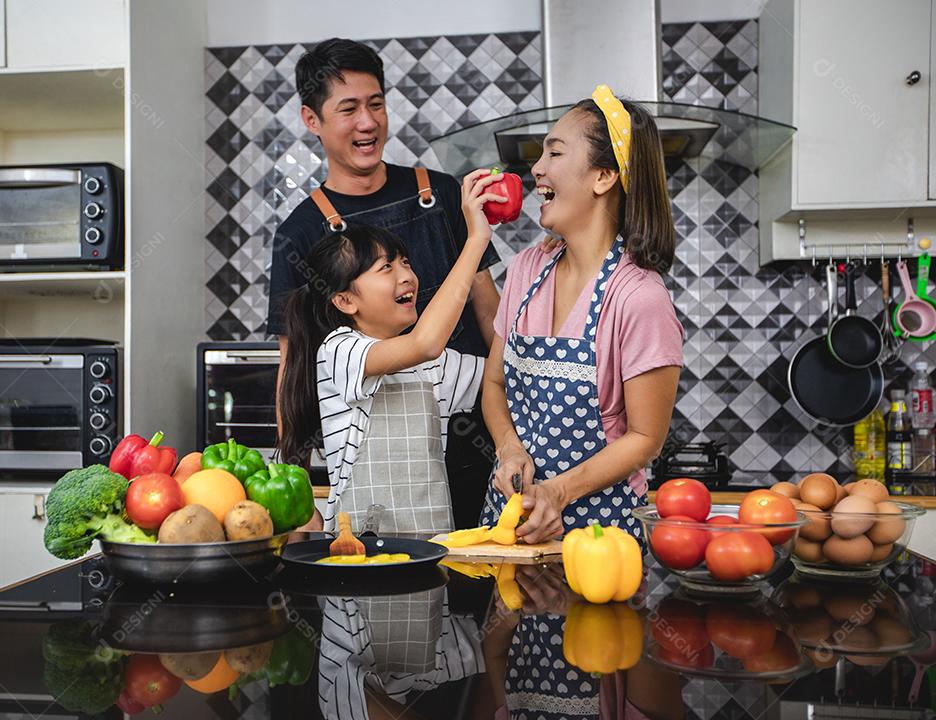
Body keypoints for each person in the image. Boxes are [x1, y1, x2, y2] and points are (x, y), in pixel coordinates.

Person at [267, 38, 501, 529]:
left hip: (475, 438)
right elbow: (295, 367)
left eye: (376, 104)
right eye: (348, 109)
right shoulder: (299, 233)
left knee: (473, 588)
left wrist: (519, 436)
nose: (368, 122)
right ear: (312, 120)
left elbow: (491, 318)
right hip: (369, 476)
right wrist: (293, 490)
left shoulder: (441, 193)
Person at [480, 84, 683, 544]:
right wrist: (509, 448)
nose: (536, 168)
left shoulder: (638, 297)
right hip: (508, 525)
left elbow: (646, 437)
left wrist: (558, 491)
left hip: (599, 536)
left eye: (554, 152)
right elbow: (493, 383)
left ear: (603, 176)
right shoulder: (526, 270)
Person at [277, 170, 505, 534]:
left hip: (432, 553)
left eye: (406, 263)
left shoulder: (437, 366)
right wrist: (475, 239)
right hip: (358, 556)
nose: (407, 275)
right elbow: (425, 343)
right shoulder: (340, 351)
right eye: (386, 267)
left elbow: (502, 372)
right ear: (345, 300)